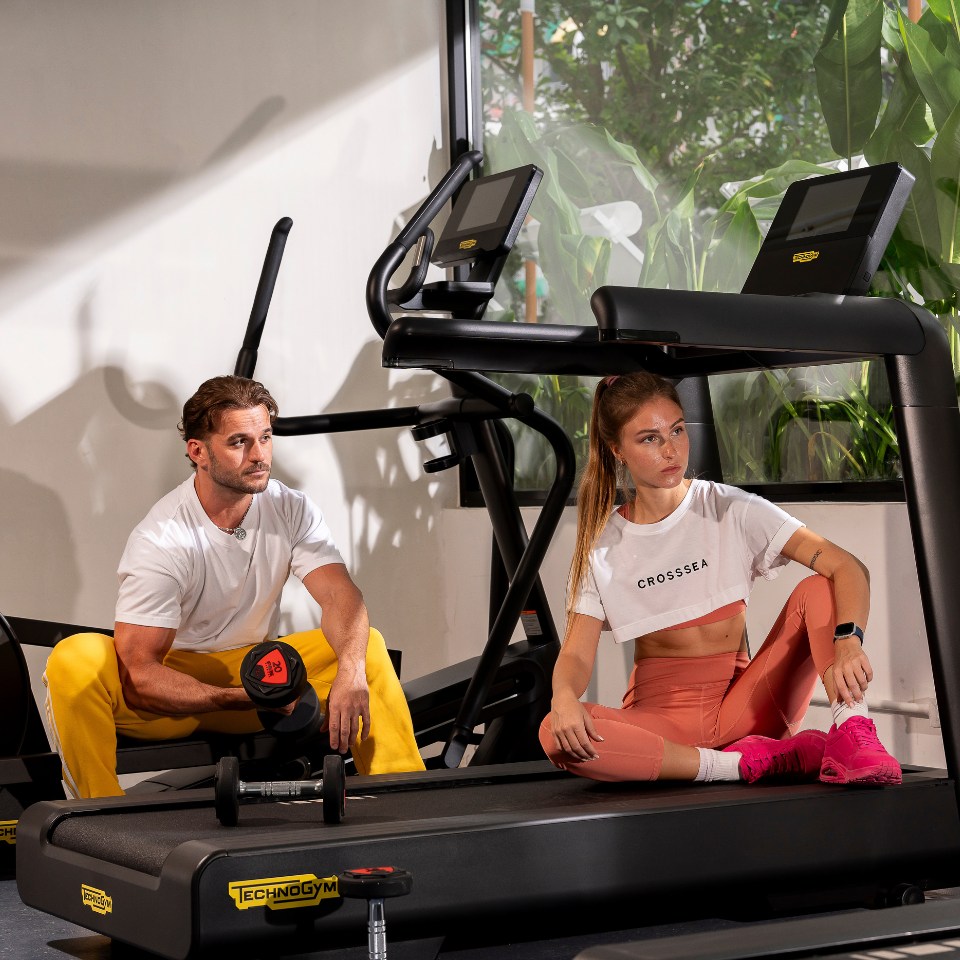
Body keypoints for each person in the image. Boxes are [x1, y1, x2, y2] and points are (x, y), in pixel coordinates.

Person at [44, 375, 425, 799]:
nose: (260, 455)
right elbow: (140, 675)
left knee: (364, 645)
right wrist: (235, 697)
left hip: (257, 675)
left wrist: (351, 671)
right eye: (239, 442)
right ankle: (101, 817)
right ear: (198, 452)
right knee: (74, 658)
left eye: (265, 437)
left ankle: (406, 807)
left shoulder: (290, 507)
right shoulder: (162, 538)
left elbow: (338, 595)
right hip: (171, 692)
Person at [540, 371, 901, 786]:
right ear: (616, 449)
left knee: (819, 586)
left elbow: (847, 566)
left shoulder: (730, 509)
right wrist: (565, 697)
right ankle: (736, 765)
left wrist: (849, 642)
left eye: (677, 430)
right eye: (649, 438)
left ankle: (852, 730)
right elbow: (575, 655)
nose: (671, 449)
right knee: (555, 731)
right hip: (661, 723)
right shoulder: (603, 545)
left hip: (747, 708)